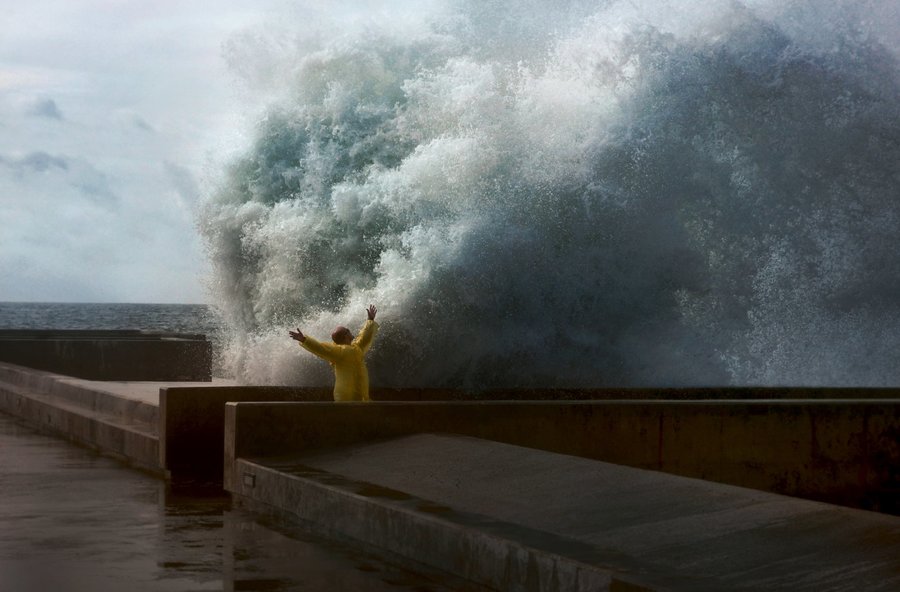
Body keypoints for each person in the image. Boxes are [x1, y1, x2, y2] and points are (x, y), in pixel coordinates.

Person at [288, 305, 379, 402]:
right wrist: (304, 339)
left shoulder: (356, 347)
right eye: (347, 330)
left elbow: (364, 337)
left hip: (361, 396)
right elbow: (320, 348)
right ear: (345, 336)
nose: (349, 330)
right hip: (345, 397)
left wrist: (370, 320)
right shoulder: (338, 351)